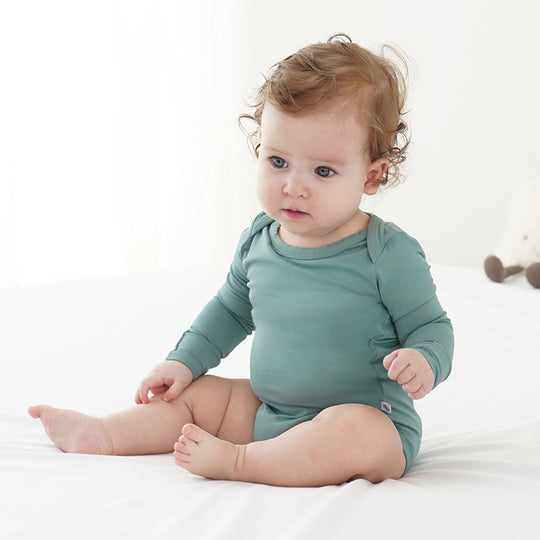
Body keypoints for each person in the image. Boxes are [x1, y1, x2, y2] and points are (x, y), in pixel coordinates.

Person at [28, 34, 453, 487]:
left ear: (372, 175)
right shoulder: (259, 239)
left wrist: (424, 359)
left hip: (369, 422)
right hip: (269, 412)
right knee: (199, 396)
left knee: (355, 431)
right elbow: (231, 310)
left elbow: (432, 327)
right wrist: (183, 362)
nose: (293, 186)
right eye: (278, 161)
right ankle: (105, 434)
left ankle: (239, 462)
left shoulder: (387, 253)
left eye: (323, 171)